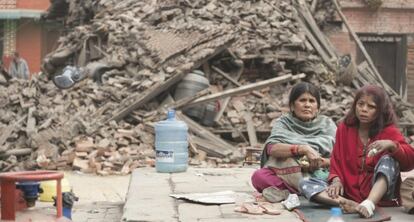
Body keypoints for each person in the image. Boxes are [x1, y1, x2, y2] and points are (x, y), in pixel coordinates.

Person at [299, 85, 414, 218]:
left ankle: (369, 203)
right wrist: (336, 181)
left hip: (381, 194)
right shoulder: (344, 128)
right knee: (305, 183)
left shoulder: (389, 131)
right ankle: (347, 203)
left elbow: (410, 161)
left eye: (371, 107)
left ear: (380, 111)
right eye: (360, 104)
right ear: (355, 106)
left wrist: (392, 145)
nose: (364, 109)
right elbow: (337, 161)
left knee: (389, 159)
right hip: (349, 192)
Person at [251, 82, 337, 202]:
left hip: (320, 173)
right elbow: (272, 148)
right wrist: (303, 149)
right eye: (302, 100)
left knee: (343, 179)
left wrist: (321, 162)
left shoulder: (328, 125)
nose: (307, 105)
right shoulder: (283, 122)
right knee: (259, 177)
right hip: (288, 175)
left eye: (312, 101)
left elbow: (341, 158)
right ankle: (311, 191)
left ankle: (302, 191)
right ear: (292, 105)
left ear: (317, 107)